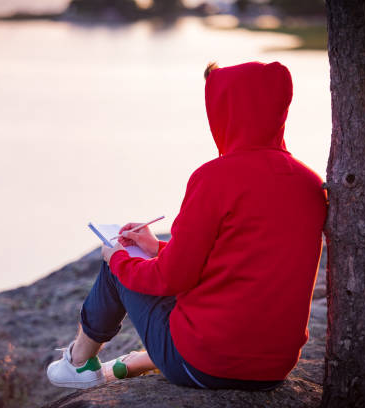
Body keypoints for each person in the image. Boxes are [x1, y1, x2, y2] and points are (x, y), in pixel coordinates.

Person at [46, 61, 327, 390]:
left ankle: (79, 364)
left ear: (227, 111)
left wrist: (118, 258)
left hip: (207, 364)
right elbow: (243, 257)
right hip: (272, 368)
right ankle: (138, 361)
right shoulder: (310, 183)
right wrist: (156, 248)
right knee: (150, 274)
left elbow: (171, 278)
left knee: (116, 262)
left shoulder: (214, 178)